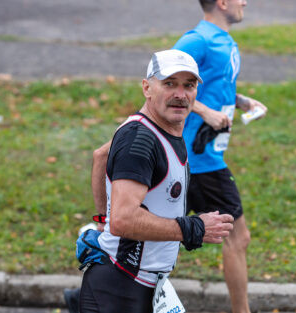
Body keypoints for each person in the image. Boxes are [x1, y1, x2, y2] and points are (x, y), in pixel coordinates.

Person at [77, 49, 234, 313]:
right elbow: (124, 220)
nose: (180, 95)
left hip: (142, 284)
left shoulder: (160, 128)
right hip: (121, 286)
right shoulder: (140, 141)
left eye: (189, 85)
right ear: (147, 88)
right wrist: (193, 228)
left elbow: (100, 156)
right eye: (169, 83)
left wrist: (103, 220)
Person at [172, 1, 268, 312]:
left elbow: (212, 85)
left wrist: (240, 101)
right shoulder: (196, 40)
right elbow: (166, 83)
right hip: (197, 160)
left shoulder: (224, 40)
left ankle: (94, 296)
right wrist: (205, 112)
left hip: (204, 156)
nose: (245, 2)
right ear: (223, 2)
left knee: (153, 238)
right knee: (237, 238)